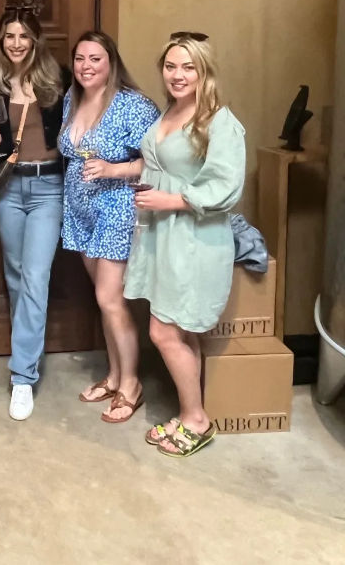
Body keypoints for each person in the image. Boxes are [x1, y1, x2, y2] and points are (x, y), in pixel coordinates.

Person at [125, 31, 245, 458]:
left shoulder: (218, 122)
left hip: (194, 238)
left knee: (163, 331)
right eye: (171, 66)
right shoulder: (171, 112)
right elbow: (159, 164)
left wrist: (170, 199)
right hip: (163, 235)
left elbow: (227, 188)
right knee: (178, 328)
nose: (177, 75)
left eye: (188, 66)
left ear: (204, 71)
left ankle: (197, 419)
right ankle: (187, 411)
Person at [57, 30, 159, 424]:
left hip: (117, 209)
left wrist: (114, 168)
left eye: (95, 58)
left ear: (111, 62)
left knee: (110, 298)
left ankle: (132, 384)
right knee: (103, 299)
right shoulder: (73, 98)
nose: (86, 66)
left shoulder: (133, 105)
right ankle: (115, 375)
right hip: (82, 209)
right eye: (80, 58)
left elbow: (157, 161)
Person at [0, 7, 70, 421]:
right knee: (16, 276)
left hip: (49, 188)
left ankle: (22, 376)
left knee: (36, 276)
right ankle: (26, 355)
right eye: (9, 36)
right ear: (0, 41)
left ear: (36, 39)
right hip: (8, 189)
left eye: (23, 36)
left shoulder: (59, 80)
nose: (16, 43)